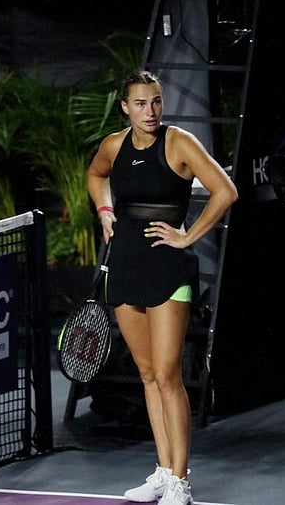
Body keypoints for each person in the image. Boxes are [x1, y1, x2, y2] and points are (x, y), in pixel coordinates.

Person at [86, 70, 238, 505]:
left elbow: (225, 191)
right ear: (125, 107)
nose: (149, 111)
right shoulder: (114, 146)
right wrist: (104, 211)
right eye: (139, 103)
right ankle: (163, 469)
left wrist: (188, 237)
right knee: (149, 374)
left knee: (169, 375)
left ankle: (180, 481)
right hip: (127, 265)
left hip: (169, 269)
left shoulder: (179, 143)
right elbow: (96, 175)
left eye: (155, 102)